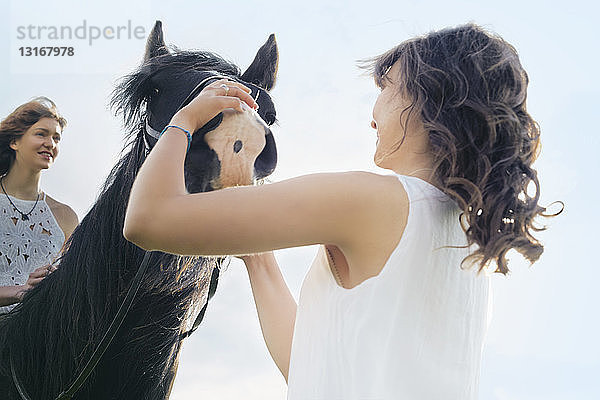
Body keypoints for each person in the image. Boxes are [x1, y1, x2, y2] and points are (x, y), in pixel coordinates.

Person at [124, 24, 553, 399]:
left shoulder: (373, 198)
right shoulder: (466, 245)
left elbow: (148, 220)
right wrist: (257, 259)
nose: (372, 116)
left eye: (385, 89)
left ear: (425, 98)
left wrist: (186, 118)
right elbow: (307, 365)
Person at [0, 97, 78, 314]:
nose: (51, 143)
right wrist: (20, 291)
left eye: (56, 138)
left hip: (39, 340)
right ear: (14, 142)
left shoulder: (65, 217)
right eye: (41, 134)